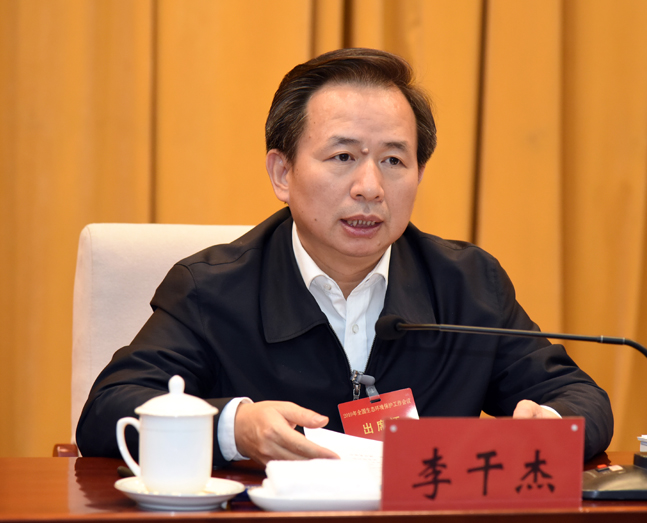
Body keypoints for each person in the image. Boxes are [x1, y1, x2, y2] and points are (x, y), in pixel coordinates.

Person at [77, 48, 613, 466]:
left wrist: (551, 424)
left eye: (394, 160)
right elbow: (108, 410)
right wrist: (233, 427)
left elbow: (578, 397)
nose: (370, 187)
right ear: (282, 173)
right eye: (343, 156)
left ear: (419, 174)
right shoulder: (211, 289)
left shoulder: (467, 284)